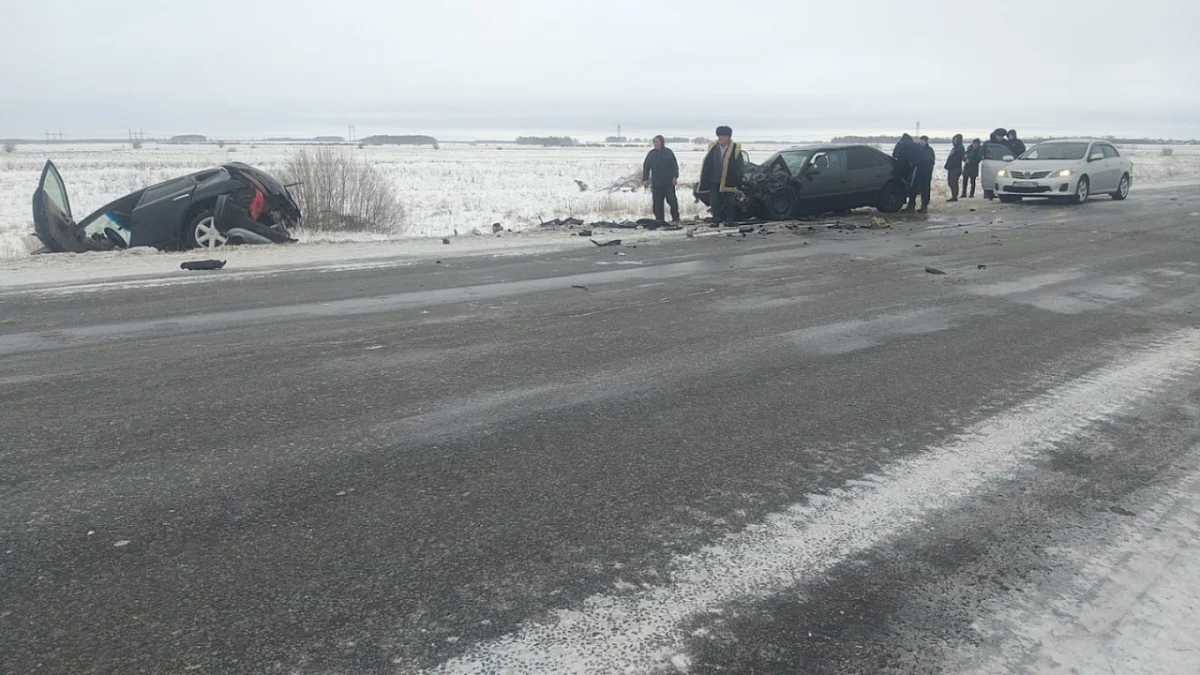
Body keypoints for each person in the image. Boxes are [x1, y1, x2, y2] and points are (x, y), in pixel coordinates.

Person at [698, 126, 744, 226]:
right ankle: (716, 221)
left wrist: (737, 179)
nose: (720, 138)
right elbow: (708, 163)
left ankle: (730, 220)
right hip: (714, 179)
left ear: (728, 137)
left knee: (729, 202)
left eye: (723, 136)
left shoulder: (735, 149)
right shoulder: (713, 148)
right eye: (719, 136)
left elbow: (739, 166)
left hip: (729, 180)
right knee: (714, 202)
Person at [642, 135, 680, 222]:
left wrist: (675, 177)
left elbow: (674, 166)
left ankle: (676, 219)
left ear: (662, 142)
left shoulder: (668, 152)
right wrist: (645, 179)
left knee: (672, 201)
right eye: (654, 142)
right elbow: (646, 167)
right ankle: (659, 220)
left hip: (668, 183)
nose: (656, 144)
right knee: (657, 204)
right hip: (656, 184)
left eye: (657, 142)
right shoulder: (651, 154)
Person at [893, 133, 925, 211]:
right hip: (927, 164)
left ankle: (911, 206)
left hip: (919, 165)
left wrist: (898, 143)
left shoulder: (904, 144)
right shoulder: (913, 144)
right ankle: (923, 206)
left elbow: (895, 154)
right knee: (924, 186)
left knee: (912, 185)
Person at [913, 136, 935, 213]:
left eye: (924, 141)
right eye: (921, 140)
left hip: (927, 172)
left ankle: (924, 205)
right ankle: (912, 204)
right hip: (917, 171)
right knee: (915, 188)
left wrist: (929, 168)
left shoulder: (930, 150)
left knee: (926, 188)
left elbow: (932, 160)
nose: (922, 142)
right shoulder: (916, 148)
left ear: (926, 141)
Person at [945, 134, 965, 202]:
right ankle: (953, 195)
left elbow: (959, 157)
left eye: (956, 139)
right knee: (950, 182)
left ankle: (954, 196)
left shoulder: (960, 148)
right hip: (951, 168)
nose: (955, 141)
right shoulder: (955, 148)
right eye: (954, 139)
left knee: (953, 182)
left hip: (956, 168)